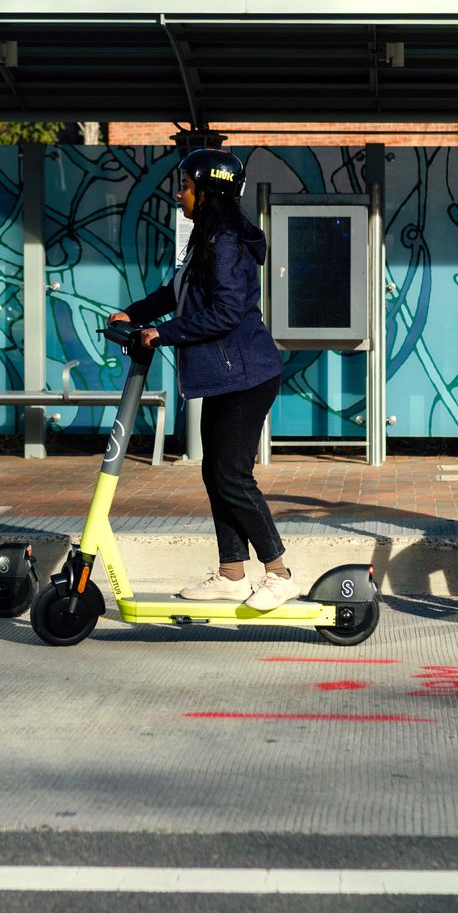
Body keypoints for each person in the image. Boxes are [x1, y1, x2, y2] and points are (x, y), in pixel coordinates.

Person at [111, 148, 295, 609]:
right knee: (217, 474)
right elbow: (173, 292)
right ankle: (232, 573)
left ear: (209, 192)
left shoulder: (226, 241)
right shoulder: (205, 237)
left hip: (245, 376)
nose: (179, 194)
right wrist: (132, 314)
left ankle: (279, 572)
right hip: (224, 375)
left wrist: (162, 334)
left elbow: (226, 313)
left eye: (187, 187)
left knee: (232, 475)